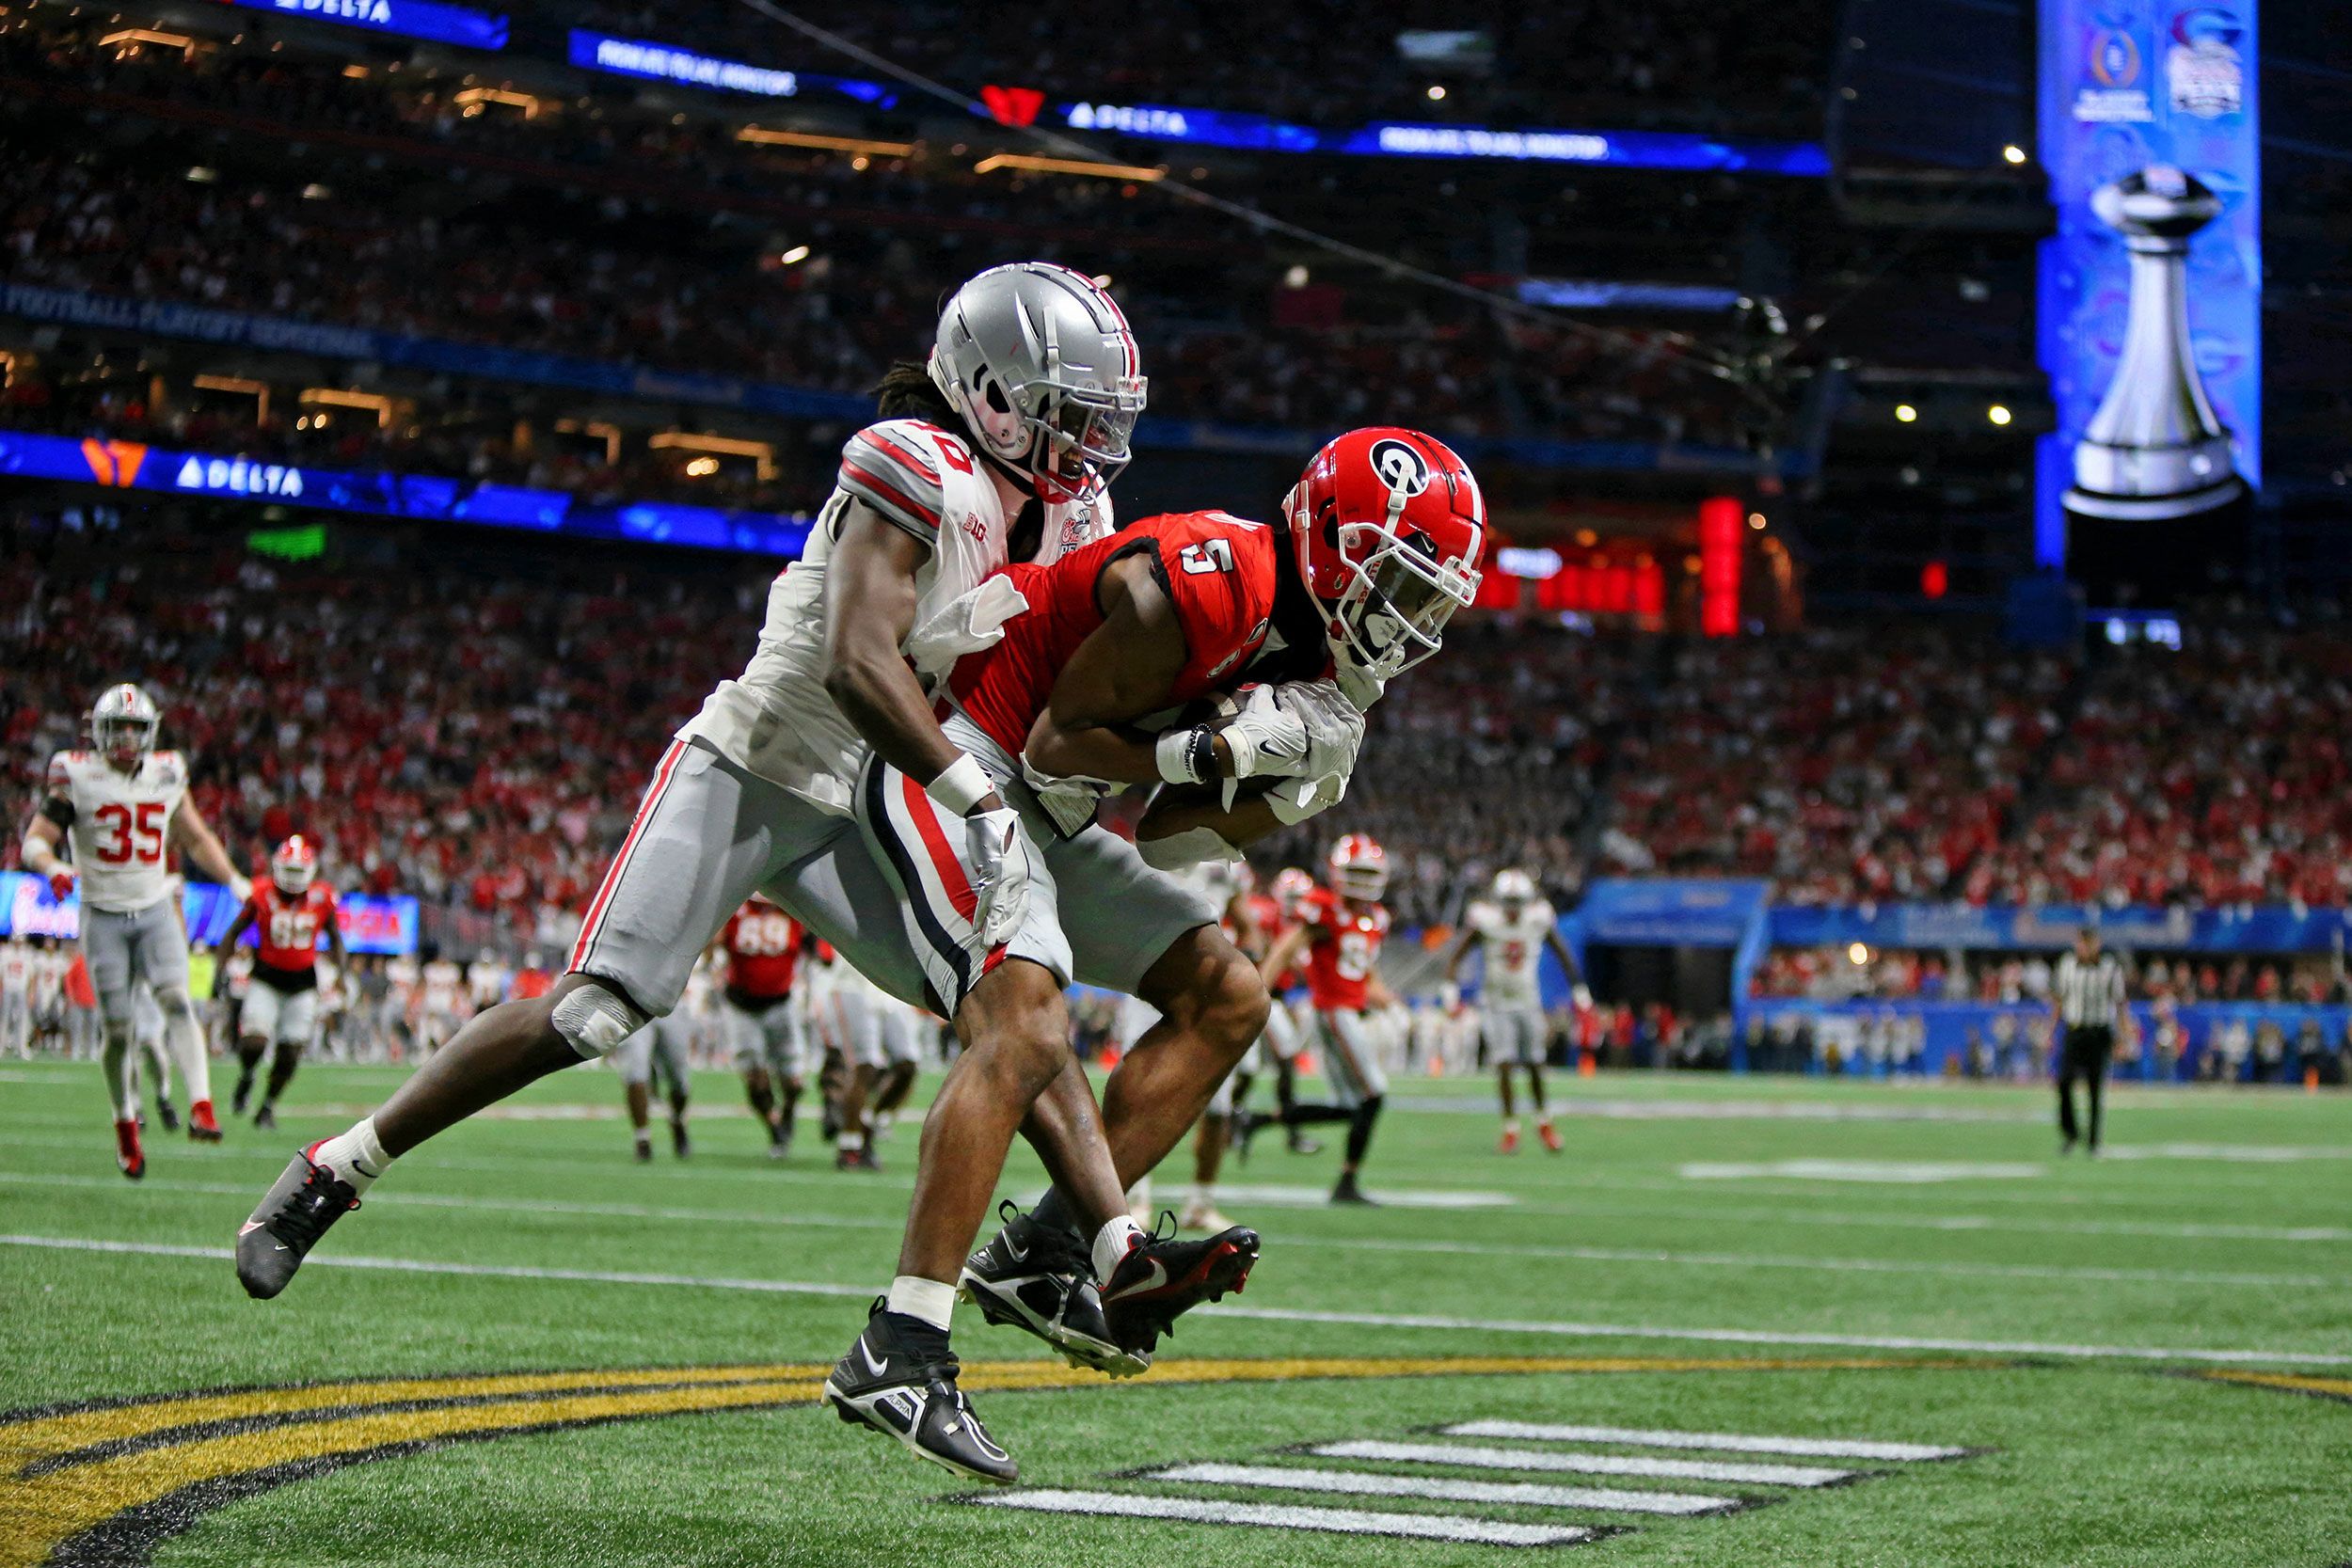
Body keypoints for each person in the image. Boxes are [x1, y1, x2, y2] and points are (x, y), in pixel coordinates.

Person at [233, 264, 1217, 1486]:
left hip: (887, 787)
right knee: (598, 1008)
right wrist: (974, 792)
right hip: (768, 761)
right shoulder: (916, 460)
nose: (1090, 439)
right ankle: (337, 1168)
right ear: (993, 393)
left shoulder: (1065, 511)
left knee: (1017, 998)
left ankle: (1048, 1274)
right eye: (1065, 408)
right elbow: (863, 661)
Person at [931, 428, 1485, 1388]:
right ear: (1333, 540)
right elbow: (1057, 744)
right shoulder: (1216, 576)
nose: (1406, 621)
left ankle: (1046, 1248)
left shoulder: (1319, 664)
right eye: (1397, 586)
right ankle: (912, 1321)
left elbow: (1172, 837)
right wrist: (1211, 749)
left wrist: (1289, 788)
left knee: (1231, 995)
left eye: (1426, 599)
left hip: (1051, 816)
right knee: (1032, 1013)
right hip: (969, 765)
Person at [20, 683, 250, 1179]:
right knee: (119, 1030)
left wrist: (235, 881)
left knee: (176, 999)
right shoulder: (76, 773)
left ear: (151, 732)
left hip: (155, 906)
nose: (126, 737)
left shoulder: (167, 772)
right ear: (98, 731)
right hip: (102, 913)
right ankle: (125, 1123)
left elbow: (195, 836)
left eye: (135, 728)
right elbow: (35, 841)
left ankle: (201, 1104)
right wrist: (52, 866)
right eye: (117, 727)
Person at [1257, 835, 1401, 1205]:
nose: (1363, 880)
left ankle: (1262, 1120)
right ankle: (1347, 1182)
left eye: (1369, 873)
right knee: (1375, 1091)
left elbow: (1364, 971)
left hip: (1349, 1010)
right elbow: (1286, 948)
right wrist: (1260, 990)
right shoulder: (1325, 908)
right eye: (1356, 872)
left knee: (1352, 1106)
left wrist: (1381, 994)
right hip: (1334, 1012)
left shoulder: (1375, 918)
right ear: (1338, 872)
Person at [1446, 867, 1582, 1153]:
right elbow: (1457, 955)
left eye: (1516, 903)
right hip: (1495, 1003)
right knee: (1504, 1063)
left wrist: (1578, 986)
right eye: (1507, 903)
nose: (1511, 910)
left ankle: (1544, 1121)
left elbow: (1561, 950)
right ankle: (1511, 1128)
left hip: (1528, 1001)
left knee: (1535, 1063)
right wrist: (1450, 987)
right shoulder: (1486, 921)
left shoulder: (1537, 920)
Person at [216, 836, 347, 1130]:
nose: (292, 878)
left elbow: (336, 937)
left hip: (303, 984)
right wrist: (219, 970)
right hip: (266, 978)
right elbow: (233, 932)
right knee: (254, 1043)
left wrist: (341, 974)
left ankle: (267, 1106)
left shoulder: (322, 897)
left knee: (290, 1053)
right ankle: (248, 1075)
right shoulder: (261, 893)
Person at [1228, 867, 1321, 1158]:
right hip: (1254, 998)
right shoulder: (1264, 914)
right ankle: (1232, 1121)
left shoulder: (1296, 925)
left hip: (1274, 1000)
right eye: (1291, 897)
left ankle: (1250, 1125)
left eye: (1299, 898)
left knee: (1282, 1062)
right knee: (1250, 1068)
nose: (1295, 903)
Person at [713, 895, 807, 1159]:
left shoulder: (794, 907)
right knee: (754, 1076)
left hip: (781, 1002)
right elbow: (716, 943)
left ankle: (788, 1110)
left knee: (793, 1081)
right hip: (742, 1005)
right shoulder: (735, 907)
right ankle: (774, 1127)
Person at [2050, 926, 2127, 1155]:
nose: (2081, 948)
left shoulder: (2110, 968)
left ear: (2096, 944)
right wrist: (2051, 1031)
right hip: (2074, 1030)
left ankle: (2094, 1141)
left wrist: (2124, 1036)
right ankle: (2071, 1132)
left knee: (2096, 1087)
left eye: (2086, 943)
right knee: (2064, 1081)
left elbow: (2120, 1004)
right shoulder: (2067, 965)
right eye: (2079, 943)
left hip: (2099, 1032)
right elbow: (2059, 1000)